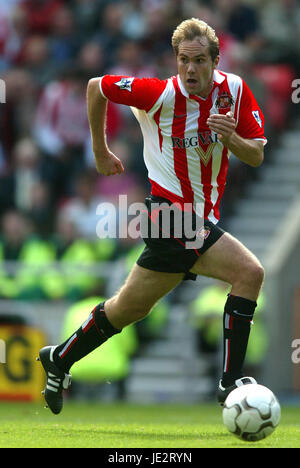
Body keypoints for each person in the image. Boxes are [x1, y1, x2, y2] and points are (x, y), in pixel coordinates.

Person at [37, 18, 266, 415]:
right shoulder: (159, 95)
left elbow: (256, 155)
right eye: (182, 60)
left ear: (215, 60)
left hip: (199, 218)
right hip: (168, 215)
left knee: (127, 309)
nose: (190, 69)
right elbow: (96, 87)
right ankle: (230, 384)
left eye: (198, 61)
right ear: (175, 61)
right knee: (250, 273)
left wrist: (232, 138)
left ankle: (59, 358)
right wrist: (100, 151)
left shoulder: (235, 91)